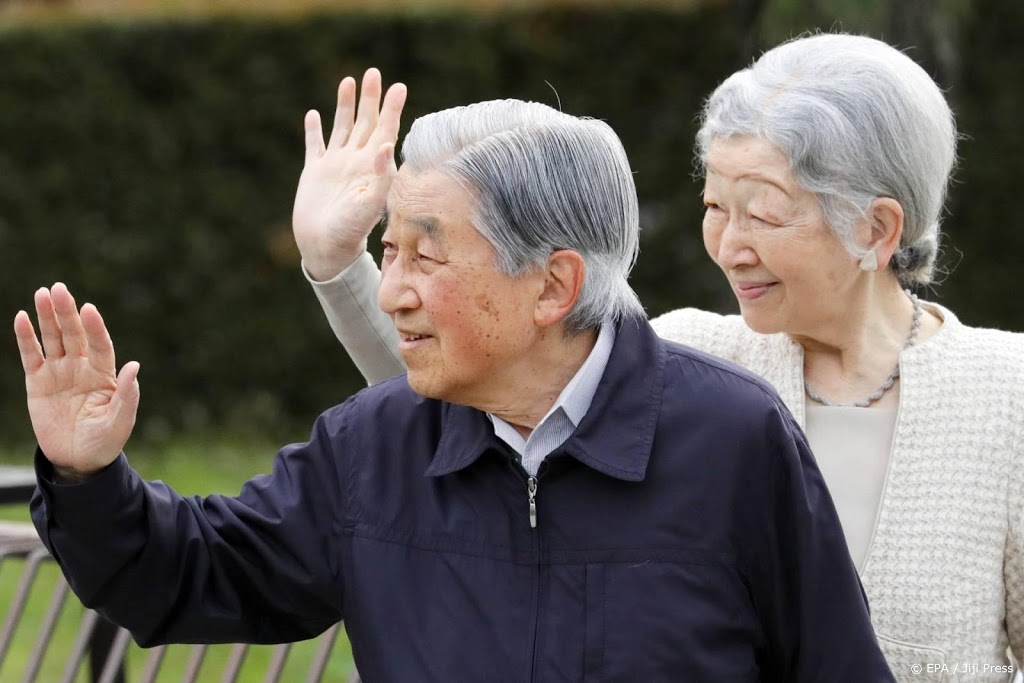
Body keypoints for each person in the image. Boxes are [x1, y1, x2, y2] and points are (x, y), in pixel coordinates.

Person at [15, 71, 895, 681]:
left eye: (425, 256)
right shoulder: (374, 443)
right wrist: (87, 476)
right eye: (388, 249)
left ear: (552, 285)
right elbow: (186, 576)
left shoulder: (734, 439)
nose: (389, 291)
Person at [301, 36, 1024, 681]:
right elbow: (474, 391)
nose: (729, 246)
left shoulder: (1005, 395)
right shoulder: (685, 361)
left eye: (762, 214)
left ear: (877, 227)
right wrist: (338, 268)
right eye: (715, 208)